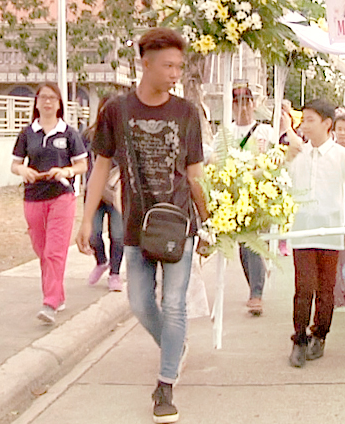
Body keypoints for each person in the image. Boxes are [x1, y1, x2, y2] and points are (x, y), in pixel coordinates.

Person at [78, 27, 209, 424]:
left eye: (179, 67)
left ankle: (165, 384)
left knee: (174, 304)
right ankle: (175, 347)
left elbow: (196, 173)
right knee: (139, 302)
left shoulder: (186, 113)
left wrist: (209, 221)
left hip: (178, 225)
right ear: (145, 63)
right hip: (135, 223)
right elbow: (101, 167)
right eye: (167, 65)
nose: (174, 73)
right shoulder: (117, 110)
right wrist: (85, 220)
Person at [283, 99, 345, 368]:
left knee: (326, 289)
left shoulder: (342, 156)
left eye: (311, 120)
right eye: (303, 120)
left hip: (331, 230)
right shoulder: (296, 154)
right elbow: (279, 181)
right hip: (302, 229)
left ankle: (320, 335)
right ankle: (298, 339)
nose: (305, 125)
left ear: (327, 124)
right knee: (304, 288)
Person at [12, 83, 88, 324]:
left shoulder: (69, 134)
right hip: (33, 196)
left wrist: (65, 171)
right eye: (43, 98)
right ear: (36, 102)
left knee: (55, 251)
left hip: (62, 197)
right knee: (42, 250)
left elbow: (82, 165)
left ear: (59, 104)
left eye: (52, 98)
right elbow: (15, 164)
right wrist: (24, 170)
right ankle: (58, 294)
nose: (47, 102)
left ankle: (50, 302)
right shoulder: (27, 134)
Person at [212, 85, 275, 316]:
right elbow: (216, 160)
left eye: (248, 102)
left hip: (259, 192)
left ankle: (256, 294)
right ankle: (254, 286)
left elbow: (275, 157)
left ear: (254, 104)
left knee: (253, 241)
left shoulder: (266, 131)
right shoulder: (225, 133)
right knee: (243, 247)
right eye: (239, 103)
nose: (244, 107)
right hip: (235, 195)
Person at [83, 97, 124, 292]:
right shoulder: (89, 135)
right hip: (95, 191)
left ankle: (115, 274)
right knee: (93, 233)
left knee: (118, 234)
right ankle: (101, 261)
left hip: (116, 191)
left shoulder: (125, 135)